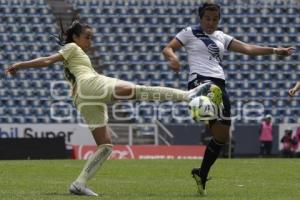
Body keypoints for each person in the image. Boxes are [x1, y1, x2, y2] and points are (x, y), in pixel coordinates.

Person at [5, 20, 215, 196]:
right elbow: (48, 60)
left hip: (83, 98)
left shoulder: (74, 54)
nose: (90, 41)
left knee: (105, 145)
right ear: (76, 37)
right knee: (138, 91)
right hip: (91, 85)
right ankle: (187, 96)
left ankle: (79, 183)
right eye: (87, 36)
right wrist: (21, 65)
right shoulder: (72, 47)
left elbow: (55, 64)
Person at [162, 2, 294, 196]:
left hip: (220, 84)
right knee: (210, 92)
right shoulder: (189, 32)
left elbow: (248, 48)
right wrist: (173, 58)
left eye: (215, 19)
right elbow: (168, 48)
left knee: (221, 137)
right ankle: (199, 106)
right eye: (208, 18)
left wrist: (275, 50)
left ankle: (201, 173)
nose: (211, 22)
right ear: (201, 18)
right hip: (199, 80)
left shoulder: (221, 37)